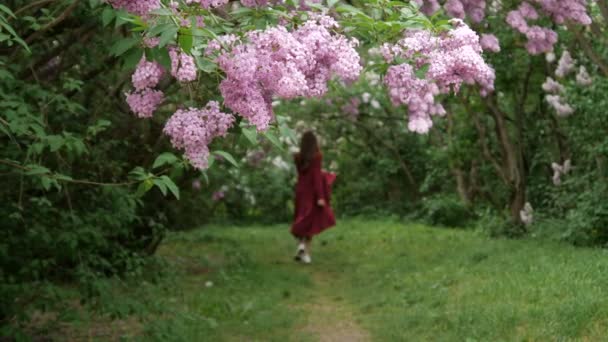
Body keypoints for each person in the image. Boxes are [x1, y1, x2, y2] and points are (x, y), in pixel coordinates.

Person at [291, 131, 336, 264]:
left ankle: (300, 246)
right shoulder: (317, 156)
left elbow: (302, 174)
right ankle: (305, 251)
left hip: (300, 190)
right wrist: (320, 197)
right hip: (312, 192)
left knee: (301, 218)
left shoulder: (298, 157)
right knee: (311, 222)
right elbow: (316, 177)